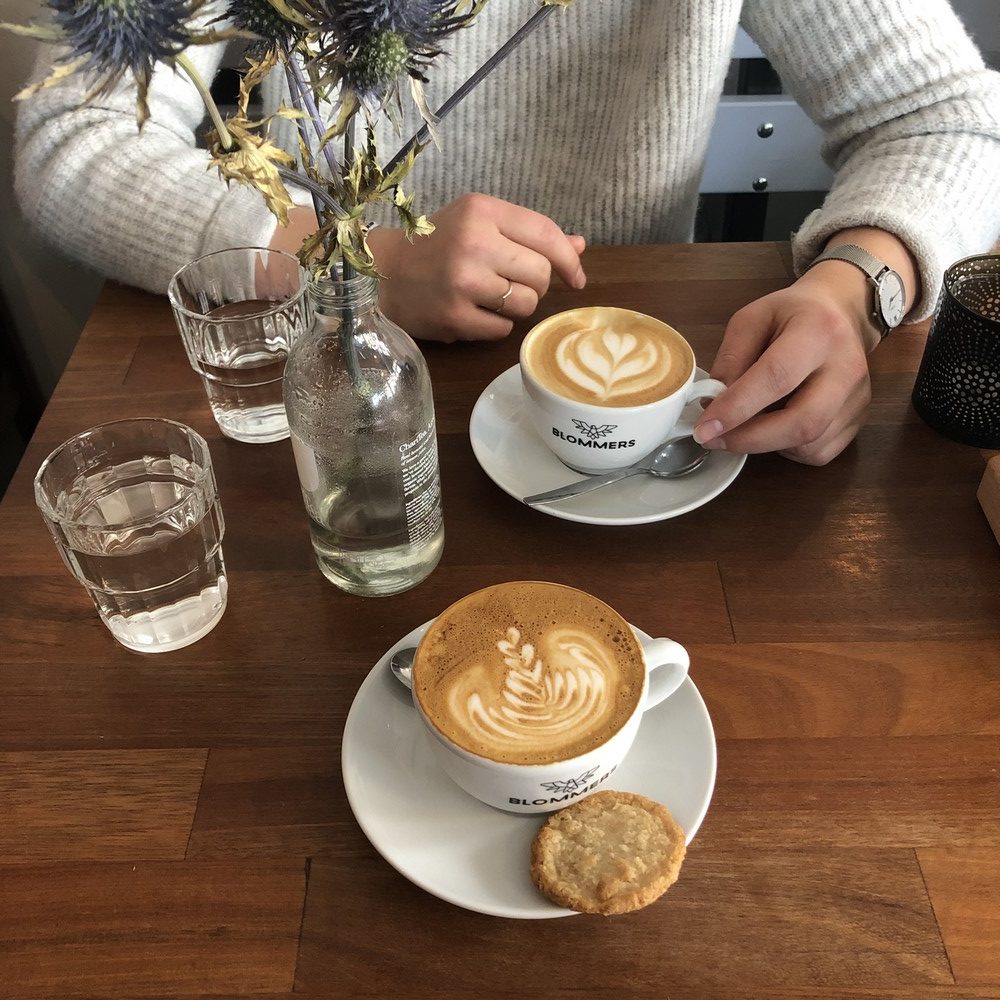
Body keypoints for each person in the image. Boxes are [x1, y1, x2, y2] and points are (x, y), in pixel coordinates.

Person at [13, 0, 1000, 464]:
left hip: (639, 413)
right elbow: (72, 144)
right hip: (346, 396)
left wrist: (856, 288)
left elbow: (953, 117)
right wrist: (357, 260)